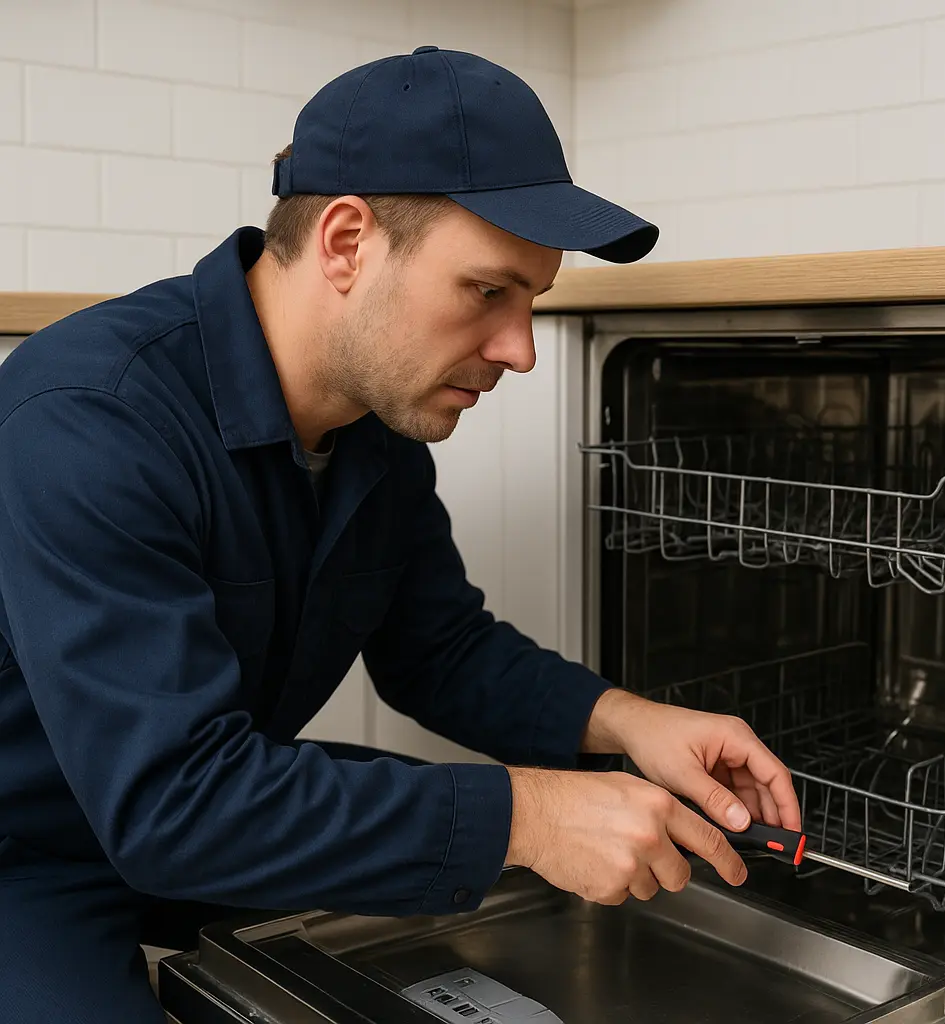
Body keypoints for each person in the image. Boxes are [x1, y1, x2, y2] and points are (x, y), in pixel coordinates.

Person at [0, 47, 800, 1023]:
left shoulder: (370, 430)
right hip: (27, 849)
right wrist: (527, 813)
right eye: (487, 291)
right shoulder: (92, 420)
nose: (519, 350)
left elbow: (438, 649)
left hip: (192, 814)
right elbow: (175, 803)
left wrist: (629, 723)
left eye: (533, 301)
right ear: (345, 242)